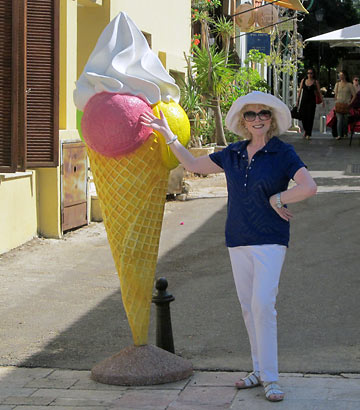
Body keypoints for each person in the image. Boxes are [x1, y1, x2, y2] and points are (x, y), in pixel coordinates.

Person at [140, 91, 317, 403]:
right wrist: (169, 136)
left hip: (270, 240)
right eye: (251, 114)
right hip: (237, 238)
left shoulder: (282, 153)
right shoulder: (233, 153)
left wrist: (279, 198)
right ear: (243, 121)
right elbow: (194, 164)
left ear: (272, 119)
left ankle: (271, 378)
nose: (258, 119)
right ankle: (259, 370)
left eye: (264, 113)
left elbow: (309, 186)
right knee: (249, 308)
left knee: (263, 304)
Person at [297, 68, 324, 140]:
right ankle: (306, 130)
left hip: (311, 102)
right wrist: (297, 101)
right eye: (308, 73)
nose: (309, 74)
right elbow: (299, 92)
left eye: (311, 73)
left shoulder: (315, 82)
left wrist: (322, 101)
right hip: (304, 101)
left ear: (313, 74)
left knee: (310, 117)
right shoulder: (303, 81)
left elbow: (319, 92)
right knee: (303, 117)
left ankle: (308, 133)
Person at [334, 70, 357, 140]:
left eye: (342, 75)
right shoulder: (337, 84)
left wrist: (350, 103)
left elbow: (354, 95)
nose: (341, 76)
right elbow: (335, 94)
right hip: (339, 104)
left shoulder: (350, 85)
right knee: (339, 120)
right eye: (340, 75)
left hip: (346, 105)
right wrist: (336, 101)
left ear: (345, 76)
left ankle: (345, 133)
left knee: (345, 120)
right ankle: (339, 135)